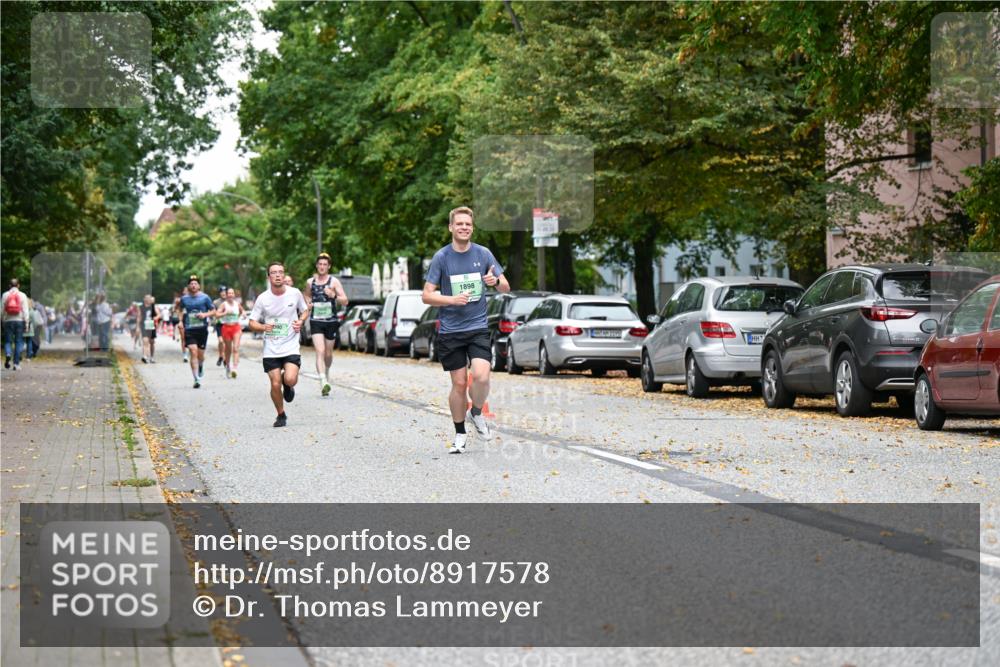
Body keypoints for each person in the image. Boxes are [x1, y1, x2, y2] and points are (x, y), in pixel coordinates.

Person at [421, 206, 510, 454]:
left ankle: (476, 412)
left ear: (472, 227)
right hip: (450, 331)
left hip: (478, 326)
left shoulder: (483, 254)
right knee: (459, 384)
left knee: (481, 376)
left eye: (468, 224)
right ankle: (460, 433)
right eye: (459, 224)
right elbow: (426, 296)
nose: (464, 228)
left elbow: (505, 287)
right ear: (451, 227)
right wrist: (452, 300)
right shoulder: (442, 257)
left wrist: (495, 281)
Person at [248, 262, 309, 427]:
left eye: (280, 272)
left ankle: (287, 385)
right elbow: (252, 322)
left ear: (284, 275)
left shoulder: (295, 293)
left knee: (290, 379)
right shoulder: (263, 298)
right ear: (269, 277)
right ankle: (281, 415)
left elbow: (305, 310)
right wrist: (263, 327)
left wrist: (301, 321)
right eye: (273, 272)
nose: (277, 275)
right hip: (271, 348)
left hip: (290, 345)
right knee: (275, 383)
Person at [304, 252, 348, 396]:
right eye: (320, 264)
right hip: (316, 321)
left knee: (328, 354)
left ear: (328, 267)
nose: (322, 267)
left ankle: (326, 372)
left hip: (331, 321)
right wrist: (307, 304)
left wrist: (334, 295)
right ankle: (323, 381)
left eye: (325, 264)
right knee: (320, 351)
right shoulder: (310, 282)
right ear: (317, 266)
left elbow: (345, 301)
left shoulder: (334, 282)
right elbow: (306, 296)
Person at [178, 276, 216, 388]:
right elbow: (180, 310)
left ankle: (200, 365)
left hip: (202, 329)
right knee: (193, 351)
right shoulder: (184, 299)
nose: (193, 285)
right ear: (188, 286)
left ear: (198, 286)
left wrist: (204, 315)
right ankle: (196, 379)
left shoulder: (205, 298)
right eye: (191, 284)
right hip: (189, 329)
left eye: (195, 283)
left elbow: (213, 311)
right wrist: (180, 321)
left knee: (200, 355)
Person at [217, 287, 245, 378]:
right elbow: (217, 315)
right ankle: (228, 366)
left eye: (232, 293)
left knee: (236, 348)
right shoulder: (223, 304)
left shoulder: (237, 304)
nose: (230, 295)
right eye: (229, 293)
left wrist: (243, 314)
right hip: (226, 328)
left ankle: (235, 369)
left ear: (234, 295)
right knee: (228, 350)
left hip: (236, 327)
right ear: (227, 295)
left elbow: (242, 311)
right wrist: (224, 313)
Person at [4, 279, 29, 370]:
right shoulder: (23, 295)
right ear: (18, 285)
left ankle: (8, 353)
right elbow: (26, 311)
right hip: (20, 321)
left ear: (9, 286)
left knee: (7, 341)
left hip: (8, 321)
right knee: (19, 342)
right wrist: (26, 323)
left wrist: (2, 320)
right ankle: (16, 364)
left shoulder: (5, 295)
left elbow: (1, 310)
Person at [140, 294, 160, 363]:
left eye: (149, 298)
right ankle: (144, 356)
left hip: (151, 325)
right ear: (144, 299)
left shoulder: (153, 306)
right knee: (145, 341)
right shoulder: (141, 307)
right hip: (144, 325)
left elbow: (159, 314)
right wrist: (137, 327)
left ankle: (152, 357)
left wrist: (156, 318)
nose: (148, 299)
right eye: (146, 298)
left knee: (152, 342)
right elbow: (139, 317)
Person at [213, 285, 227, 367]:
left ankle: (223, 358)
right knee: (221, 341)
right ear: (219, 293)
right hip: (219, 324)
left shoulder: (230, 301)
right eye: (222, 292)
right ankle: (221, 355)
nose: (223, 293)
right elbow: (214, 313)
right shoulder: (216, 302)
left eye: (225, 292)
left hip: (228, 324)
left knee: (225, 342)